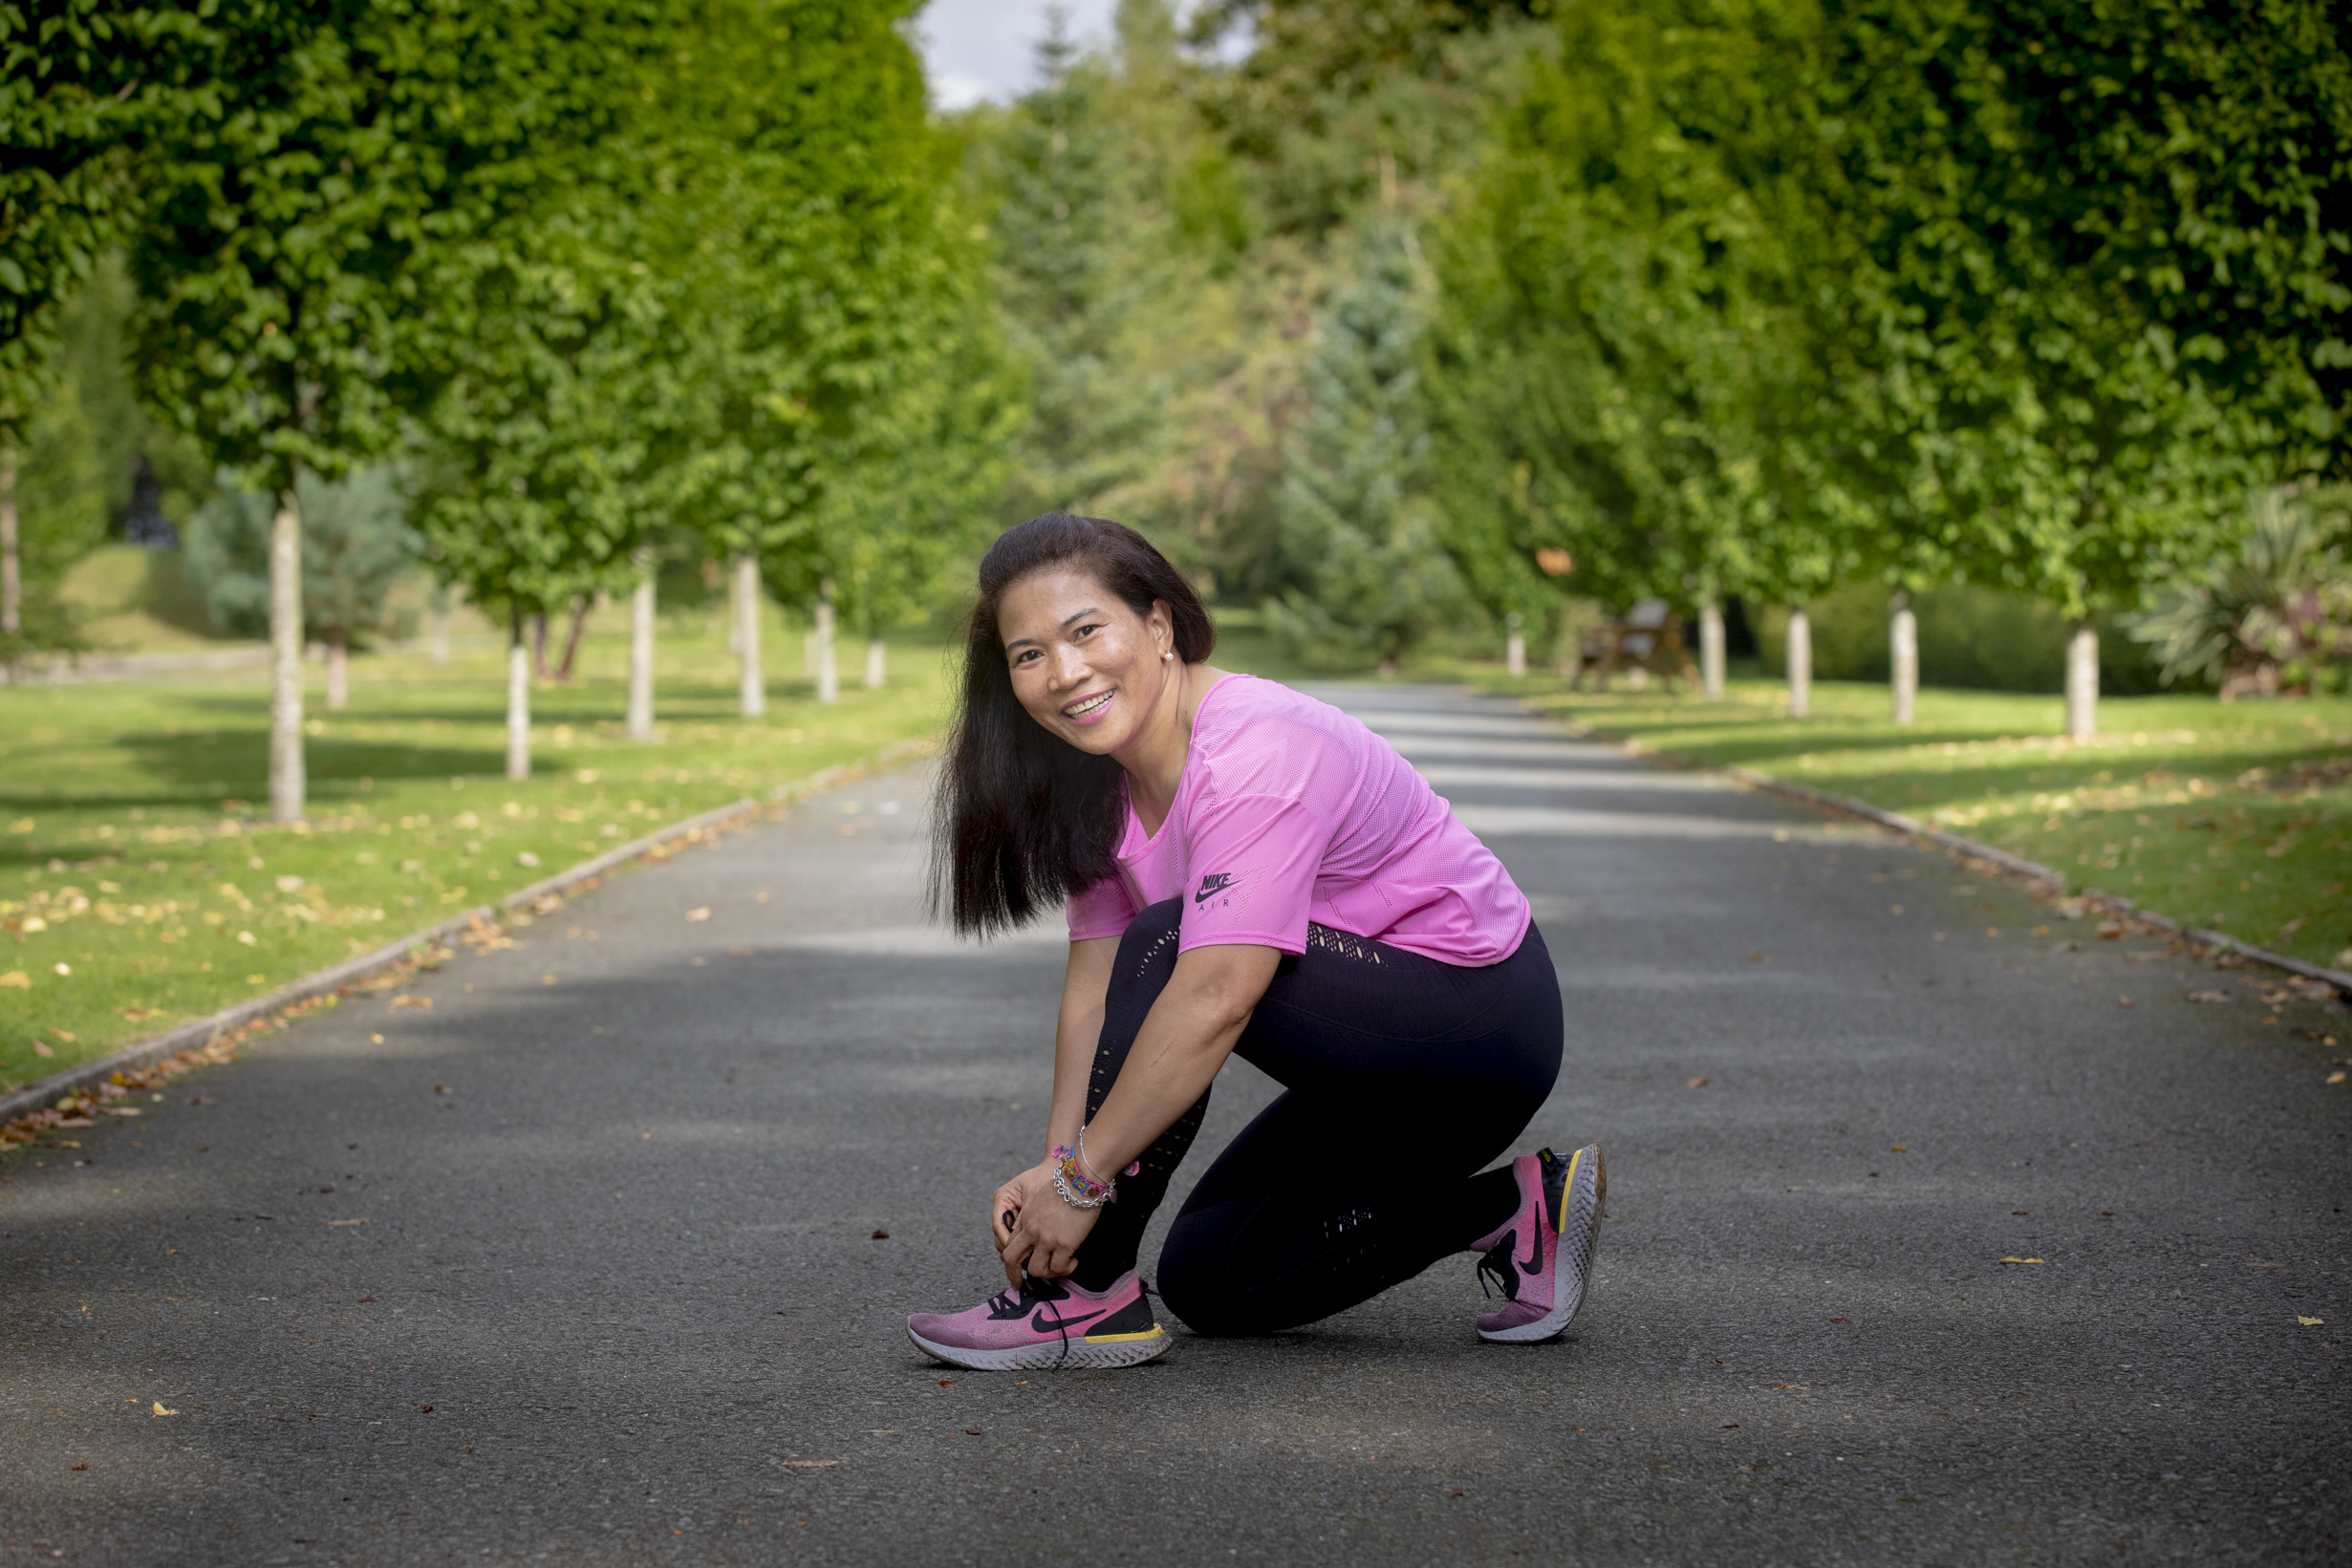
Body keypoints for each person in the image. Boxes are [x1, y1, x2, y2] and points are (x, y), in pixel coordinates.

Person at [907, 513, 1604, 1372]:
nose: (1065, 672)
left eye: (1085, 631)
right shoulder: (1099, 783)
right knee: (1214, 1278)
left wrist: (1083, 1184)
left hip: (1477, 1024)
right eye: (1028, 654)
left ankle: (1083, 1296)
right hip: (1360, 1060)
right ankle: (1514, 1207)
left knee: (1174, 944)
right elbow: (1091, 991)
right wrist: (1057, 1162)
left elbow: (1216, 994)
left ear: (1157, 625)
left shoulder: (1258, 747)